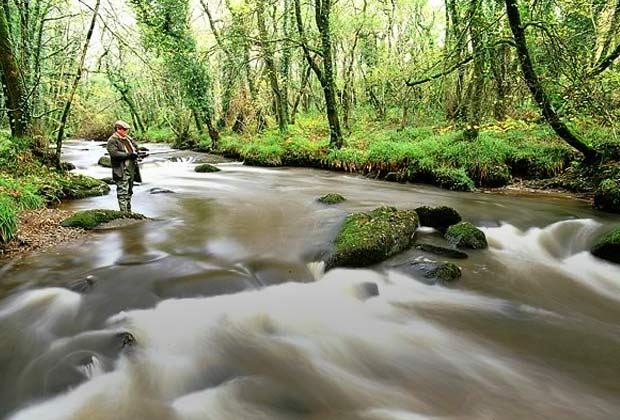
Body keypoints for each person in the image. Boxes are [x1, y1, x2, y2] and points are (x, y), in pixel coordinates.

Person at [106, 120, 142, 212]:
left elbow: (135, 149)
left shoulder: (128, 138)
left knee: (129, 191)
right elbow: (114, 153)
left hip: (131, 169)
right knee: (123, 192)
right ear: (118, 129)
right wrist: (129, 155)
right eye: (125, 129)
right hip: (121, 170)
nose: (126, 131)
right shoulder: (112, 140)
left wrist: (140, 154)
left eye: (127, 129)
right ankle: (124, 213)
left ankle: (128, 211)